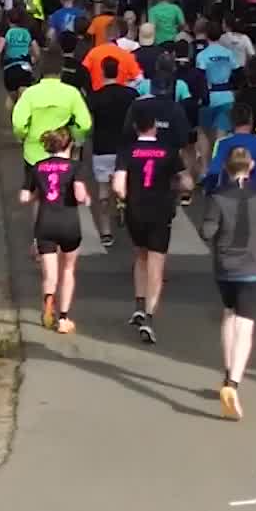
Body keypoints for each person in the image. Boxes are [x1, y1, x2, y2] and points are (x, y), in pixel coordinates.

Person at [200, 146, 256, 420]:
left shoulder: (218, 196)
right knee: (246, 325)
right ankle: (233, 382)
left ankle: (226, 372)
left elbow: (206, 230)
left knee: (229, 314)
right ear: (252, 165)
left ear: (226, 167)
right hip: (253, 267)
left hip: (225, 266)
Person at [112, 101, 191, 344]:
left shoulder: (127, 151)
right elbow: (186, 182)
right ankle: (149, 317)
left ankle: (137, 304)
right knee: (157, 263)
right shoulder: (168, 150)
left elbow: (118, 185)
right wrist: (178, 187)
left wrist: (126, 198)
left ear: (136, 127)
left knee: (140, 256)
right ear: (154, 126)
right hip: (160, 210)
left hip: (136, 210)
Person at [28, 127, 89, 333]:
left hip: (45, 224)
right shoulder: (75, 167)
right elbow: (80, 196)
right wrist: (86, 198)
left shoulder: (38, 167)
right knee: (68, 269)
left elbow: (24, 197)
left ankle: (48, 301)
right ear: (69, 145)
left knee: (49, 274)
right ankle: (63, 318)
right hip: (69, 223)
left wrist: (39, 195)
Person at [13, 46, 92, 190]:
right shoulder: (71, 93)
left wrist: (24, 136)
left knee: (35, 193)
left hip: (34, 154)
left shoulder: (30, 94)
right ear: (60, 70)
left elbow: (18, 124)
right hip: (62, 153)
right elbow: (85, 124)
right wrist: (73, 137)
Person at [89, 55, 137, 248]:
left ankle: (106, 231)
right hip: (125, 148)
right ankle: (124, 206)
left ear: (102, 72)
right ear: (118, 71)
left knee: (102, 190)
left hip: (102, 148)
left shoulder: (95, 96)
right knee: (129, 184)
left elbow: (89, 123)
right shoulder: (131, 94)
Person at [204, 101, 256, 193]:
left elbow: (214, 173)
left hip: (229, 196)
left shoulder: (222, 143)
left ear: (231, 121)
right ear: (251, 120)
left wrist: (209, 192)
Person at [195, 22, 241, 166]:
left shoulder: (202, 55)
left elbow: (200, 78)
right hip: (227, 97)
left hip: (208, 97)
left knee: (204, 134)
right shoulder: (229, 54)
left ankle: (205, 169)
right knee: (221, 137)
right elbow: (237, 73)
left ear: (206, 35)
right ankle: (219, 168)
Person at [0, 3, 39, 101]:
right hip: (25, 67)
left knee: (12, 99)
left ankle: (12, 114)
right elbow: (37, 52)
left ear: (8, 20)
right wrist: (33, 60)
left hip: (10, 68)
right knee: (24, 98)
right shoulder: (27, 33)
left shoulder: (6, 33)